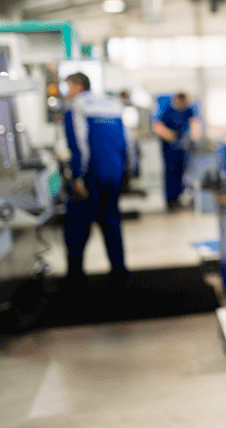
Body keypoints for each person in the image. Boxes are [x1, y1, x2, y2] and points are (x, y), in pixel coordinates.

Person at [62, 72, 132, 290]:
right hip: (114, 173)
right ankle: (119, 274)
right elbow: (127, 141)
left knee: (77, 227)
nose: (67, 92)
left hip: (91, 174)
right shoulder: (112, 103)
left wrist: (76, 175)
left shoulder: (77, 106)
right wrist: (128, 171)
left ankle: (75, 279)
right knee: (111, 223)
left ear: (78, 85)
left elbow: (79, 144)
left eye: (68, 86)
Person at [152, 92, 201, 211]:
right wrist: (171, 136)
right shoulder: (167, 111)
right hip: (169, 148)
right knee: (170, 173)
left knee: (181, 172)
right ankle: (170, 201)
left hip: (182, 147)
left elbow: (194, 123)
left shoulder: (188, 110)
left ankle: (178, 198)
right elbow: (157, 126)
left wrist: (195, 137)